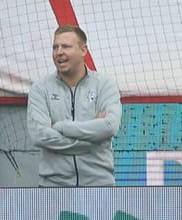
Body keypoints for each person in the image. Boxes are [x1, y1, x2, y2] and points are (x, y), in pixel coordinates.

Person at [26, 24, 121, 186]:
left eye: (66, 46)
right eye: (55, 47)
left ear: (83, 50)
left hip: (99, 186)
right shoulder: (40, 89)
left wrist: (61, 127)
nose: (59, 52)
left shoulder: (105, 85)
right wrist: (93, 140)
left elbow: (109, 127)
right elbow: (40, 136)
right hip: (53, 187)